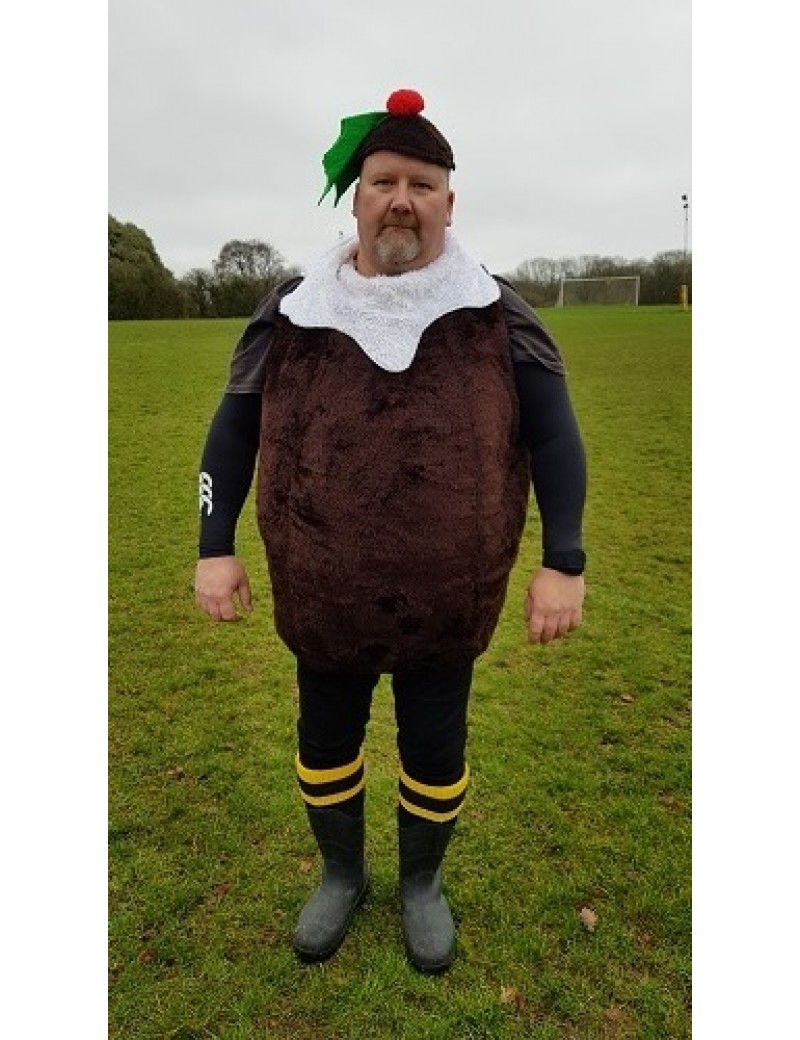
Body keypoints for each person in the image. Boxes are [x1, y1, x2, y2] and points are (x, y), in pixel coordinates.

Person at [194, 89, 587, 974]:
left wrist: (565, 559)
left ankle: (421, 885)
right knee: (324, 739)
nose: (400, 198)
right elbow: (231, 430)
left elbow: (557, 435)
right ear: (356, 196)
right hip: (322, 592)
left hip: (446, 600)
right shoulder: (291, 311)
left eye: (421, 182)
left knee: (434, 746)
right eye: (383, 181)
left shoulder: (497, 312)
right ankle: (341, 874)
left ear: (450, 200)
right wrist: (213, 547)